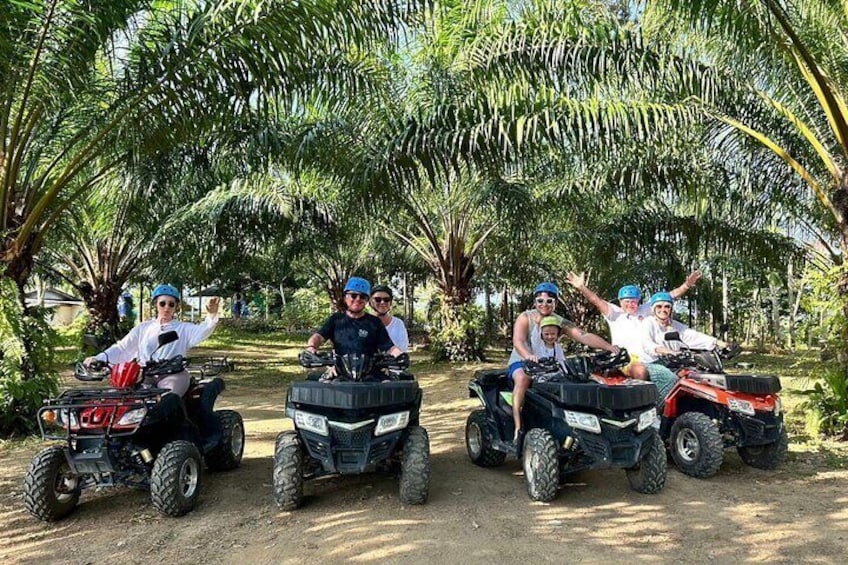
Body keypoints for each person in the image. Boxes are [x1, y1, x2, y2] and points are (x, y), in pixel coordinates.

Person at [508, 282, 619, 447]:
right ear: (535, 302)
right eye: (540, 301)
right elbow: (518, 341)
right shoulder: (526, 317)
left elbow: (583, 335)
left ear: (556, 302)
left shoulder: (559, 322)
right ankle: (517, 426)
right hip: (523, 362)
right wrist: (529, 356)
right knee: (523, 379)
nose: (544, 305)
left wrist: (609, 347)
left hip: (550, 365)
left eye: (549, 301)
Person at [84, 284, 220, 397]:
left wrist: (211, 314)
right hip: (145, 374)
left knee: (168, 400)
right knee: (126, 399)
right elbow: (123, 347)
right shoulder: (143, 328)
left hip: (173, 374)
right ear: (156, 304)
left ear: (176, 307)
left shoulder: (183, 328)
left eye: (171, 304)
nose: (166, 307)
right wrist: (99, 358)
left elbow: (203, 330)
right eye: (162, 303)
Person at [565, 270, 702, 380]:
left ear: (638, 301)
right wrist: (581, 287)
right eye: (627, 301)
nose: (630, 304)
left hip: (651, 358)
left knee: (682, 372)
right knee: (640, 371)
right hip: (627, 360)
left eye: (634, 301)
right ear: (620, 302)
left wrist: (687, 284)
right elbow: (596, 300)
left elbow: (669, 296)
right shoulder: (614, 313)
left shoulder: (645, 310)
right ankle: (645, 406)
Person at [639, 291, 729, 404]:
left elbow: (694, 336)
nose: (663, 309)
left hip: (674, 362)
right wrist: (666, 351)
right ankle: (661, 412)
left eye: (667, 306)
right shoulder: (648, 322)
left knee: (702, 377)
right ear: (653, 309)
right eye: (659, 306)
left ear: (671, 309)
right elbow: (647, 344)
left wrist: (721, 343)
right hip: (653, 362)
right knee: (671, 379)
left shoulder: (676, 325)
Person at [306, 277, 402, 379]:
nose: (357, 299)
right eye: (353, 295)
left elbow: (389, 347)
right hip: (339, 372)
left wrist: (400, 356)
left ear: (366, 301)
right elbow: (319, 337)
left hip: (370, 374)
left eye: (362, 297)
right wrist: (311, 348)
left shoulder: (374, 322)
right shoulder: (336, 320)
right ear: (345, 297)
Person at [369, 284, 409, 352]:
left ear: (390, 302)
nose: (382, 302)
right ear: (370, 302)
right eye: (378, 299)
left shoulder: (398, 324)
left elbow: (402, 349)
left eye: (386, 299)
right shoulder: (363, 323)